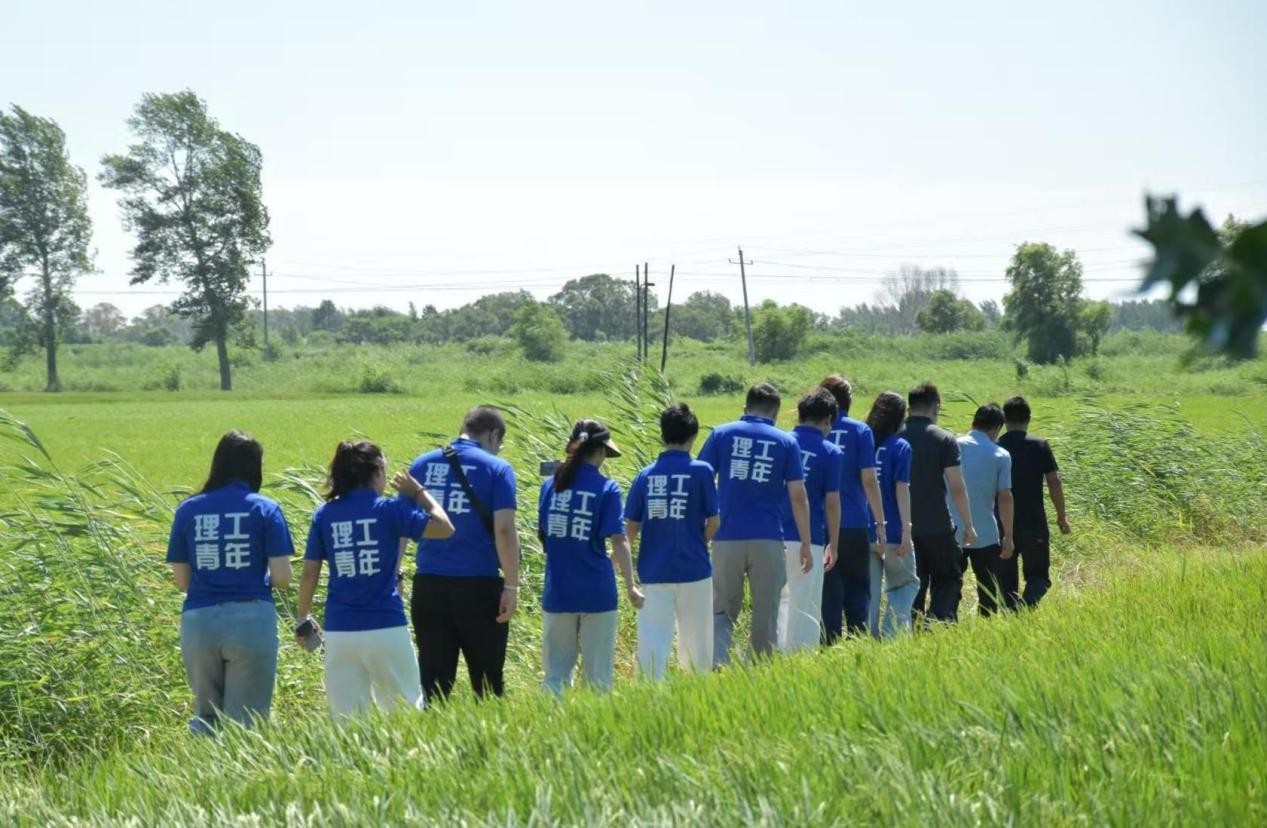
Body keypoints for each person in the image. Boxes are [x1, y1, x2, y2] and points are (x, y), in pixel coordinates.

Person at [296, 441, 455, 717]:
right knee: (405, 712)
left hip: (340, 630)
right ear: (378, 471)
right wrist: (419, 492)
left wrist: (303, 616)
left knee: (346, 719)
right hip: (386, 625)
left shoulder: (325, 514)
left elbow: (310, 572)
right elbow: (445, 527)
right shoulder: (389, 510)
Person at [165, 431, 294, 734]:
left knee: (206, 718)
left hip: (199, 621)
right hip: (251, 619)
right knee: (247, 721)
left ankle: (202, 765)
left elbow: (181, 581)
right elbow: (282, 578)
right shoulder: (265, 509)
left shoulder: (188, 509)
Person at [404, 406, 521, 702]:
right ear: (493, 434)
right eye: (499, 443)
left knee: (433, 684)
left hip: (429, 585)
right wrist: (511, 586)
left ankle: (434, 731)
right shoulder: (498, 469)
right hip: (479, 585)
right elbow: (504, 531)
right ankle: (490, 731)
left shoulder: (421, 465)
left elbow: (400, 527)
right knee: (488, 683)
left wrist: (396, 573)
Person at [698, 383, 811, 665]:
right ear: (775, 412)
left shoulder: (721, 434)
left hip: (726, 536)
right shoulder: (786, 442)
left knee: (722, 608)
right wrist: (806, 543)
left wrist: (701, 528)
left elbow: (701, 480)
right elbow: (798, 497)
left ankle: (718, 664)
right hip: (768, 537)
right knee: (766, 610)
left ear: (745, 407)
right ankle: (760, 669)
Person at [539, 419, 644, 695]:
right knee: (598, 678)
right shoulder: (606, 489)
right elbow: (619, 540)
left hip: (558, 591)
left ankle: (548, 720)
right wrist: (631, 586)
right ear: (599, 451)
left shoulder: (549, 486)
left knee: (555, 675)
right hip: (597, 591)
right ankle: (594, 723)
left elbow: (545, 536)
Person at [626, 403, 720, 680]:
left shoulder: (645, 475)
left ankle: (649, 692)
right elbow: (714, 521)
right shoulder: (702, 471)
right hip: (695, 568)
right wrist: (700, 541)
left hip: (654, 570)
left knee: (652, 641)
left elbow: (630, 529)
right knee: (697, 643)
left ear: (663, 435)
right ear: (693, 436)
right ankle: (696, 691)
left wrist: (618, 563)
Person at [819, 375, 885, 642]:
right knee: (858, 588)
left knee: (829, 590)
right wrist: (880, 523)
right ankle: (858, 642)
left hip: (822, 524)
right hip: (855, 522)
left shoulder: (815, 430)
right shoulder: (860, 431)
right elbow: (869, 480)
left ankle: (829, 644)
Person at [904, 383, 977, 624]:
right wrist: (968, 524)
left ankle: (912, 628)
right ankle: (939, 624)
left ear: (910, 406)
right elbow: (957, 487)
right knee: (947, 579)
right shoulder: (943, 438)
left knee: (913, 584)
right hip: (938, 526)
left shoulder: (894, 437)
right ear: (936, 407)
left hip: (903, 528)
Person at [778, 388, 843, 652]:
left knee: (777, 603)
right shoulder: (830, 452)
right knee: (805, 605)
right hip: (810, 537)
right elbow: (832, 503)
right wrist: (834, 543)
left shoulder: (781, 442)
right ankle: (800, 659)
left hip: (774, 535)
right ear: (827, 419)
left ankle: (771, 657)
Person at [998, 396, 1070, 607]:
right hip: (1034, 521)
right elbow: (1054, 481)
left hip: (1002, 523)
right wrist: (1061, 516)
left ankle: (1013, 613)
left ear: (1004, 419)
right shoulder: (1039, 445)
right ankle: (1027, 607)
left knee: (1006, 583)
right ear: (1029, 418)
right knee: (1039, 577)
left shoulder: (997, 446)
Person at [950, 405, 1016, 616]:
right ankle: (987, 623)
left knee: (949, 585)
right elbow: (1004, 497)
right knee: (987, 587)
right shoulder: (1001, 454)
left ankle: (946, 621)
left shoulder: (952, 445)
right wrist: (1008, 536)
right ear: (996, 428)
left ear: (974, 422)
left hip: (952, 530)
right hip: (986, 531)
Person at [864, 392, 917, 638]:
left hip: (865, 530)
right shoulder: (900, 447)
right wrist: (907, 530)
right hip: (893, 530)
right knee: (906, 584)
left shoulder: (865, 444)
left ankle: (868, 637)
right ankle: (890, 635)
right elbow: (901, 489)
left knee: (871, 593)